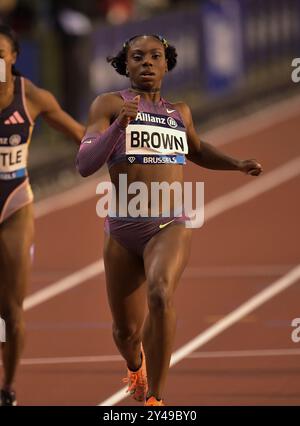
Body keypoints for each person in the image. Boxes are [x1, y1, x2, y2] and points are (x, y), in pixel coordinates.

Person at [76, 34, 262, 406]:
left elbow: (196, 149)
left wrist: (235, 163)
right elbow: (84, 164)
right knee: (125, 333)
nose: (146, 62)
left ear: (167, 64)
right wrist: (117, 129)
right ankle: (136, 366)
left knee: (160, 294)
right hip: (122, 229)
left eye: (155, 56)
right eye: (137, 57)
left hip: (169, 222)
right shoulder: (110, 104)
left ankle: (156, 401)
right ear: (124, 65)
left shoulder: (180, 112)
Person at [0, 24, 85, 406]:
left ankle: (7, 388)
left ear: (13, 57)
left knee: (10, 310)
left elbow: (81, 136)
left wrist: (123, 143)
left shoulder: (31, 96)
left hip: (15, 204)